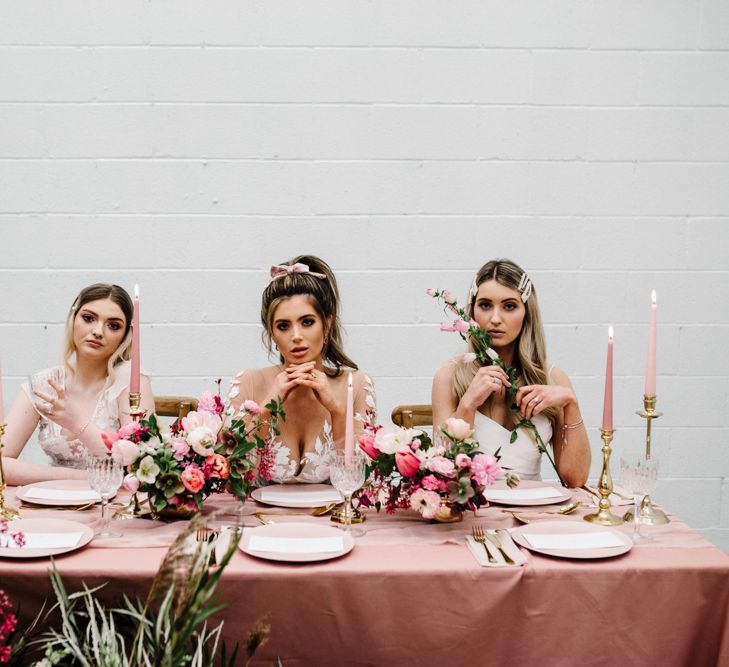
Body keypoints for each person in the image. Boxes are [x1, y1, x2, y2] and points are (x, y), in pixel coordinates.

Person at [432, 259, 590, 487]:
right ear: (472, 311)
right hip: (471, 515)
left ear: (527, 312)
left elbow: (575, 479)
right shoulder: (449, 376)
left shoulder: (554, 379)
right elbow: (442, 474)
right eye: (485, 305)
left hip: (534, 512)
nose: (495, 318)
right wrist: (468, 405)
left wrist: (570, 404)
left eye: (509, 306)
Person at [229, 255, 376, 484]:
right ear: (272, 334)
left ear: (327, 324)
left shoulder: (355, 385)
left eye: (307, 322)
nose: (296, 336)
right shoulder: (248, 382)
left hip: (333, 519)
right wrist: (268, 405)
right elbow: (231, 479)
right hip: (261, 518)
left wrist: (337, 410)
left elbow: (360, 484)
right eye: (283, 326)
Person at [2, 283, 155, 485]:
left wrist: (76, 421)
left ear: (125, 336)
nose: (98, 331)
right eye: (88, 318)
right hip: (52, 501)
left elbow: (139, 466)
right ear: (73, 319)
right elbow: (2, 464)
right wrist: (81, 478)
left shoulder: (131, 381)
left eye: (113, 325)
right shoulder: (45, 383)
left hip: (112, 504)